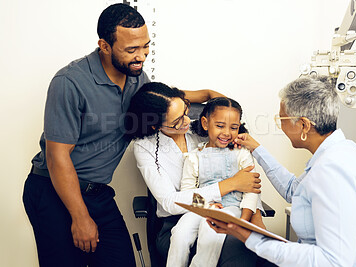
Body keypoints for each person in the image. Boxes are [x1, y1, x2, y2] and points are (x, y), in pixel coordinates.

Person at [22, 4, 222, 267]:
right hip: (53, 190)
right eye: (131, 50)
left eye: (145, 46)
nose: (142, 56)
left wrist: (210, 99)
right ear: (104, 46)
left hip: (97, 193)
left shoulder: (137, 77)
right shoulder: (69, 83)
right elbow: (57, 156)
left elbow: (165, 101)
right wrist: (80, 217)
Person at [207, 76, 356, 267]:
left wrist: (247, 236)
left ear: (303, 125)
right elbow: (293, 190)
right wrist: (256, 148)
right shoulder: (338, 152)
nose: (280, 125)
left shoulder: (333, 170)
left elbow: (332, 261)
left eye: (282, 119)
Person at [126, 82, 275, 266]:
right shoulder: (145, 147)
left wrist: (255, 216)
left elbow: (246, 177)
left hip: (228, 210)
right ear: (155, 126)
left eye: (185, 112)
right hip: (177, 220)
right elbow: (170, 202)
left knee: (241, 243)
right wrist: (229, 185)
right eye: (177, 121)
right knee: (225, 242)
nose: (187, 122)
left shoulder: (206, 131)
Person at [167, 97, 260, 267]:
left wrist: (244, 220)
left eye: (233, 127)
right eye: (220, 126)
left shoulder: (242, 154)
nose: (227, 133)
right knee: (179, 233)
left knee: (210, 230)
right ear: (205, 123)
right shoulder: (195, 157)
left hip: (232, 208)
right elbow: (187, 192)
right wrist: (207, 207)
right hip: (202, 208)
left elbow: (251, 191)